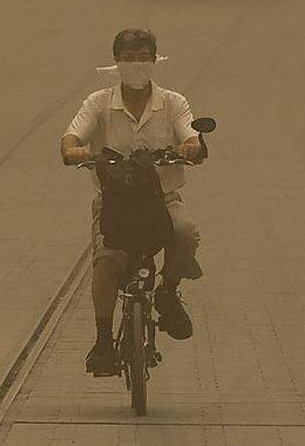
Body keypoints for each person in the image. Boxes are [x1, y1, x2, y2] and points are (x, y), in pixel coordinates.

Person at [61, 28, 205, 376]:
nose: (137, 65)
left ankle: (168, 293)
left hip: (162, 199)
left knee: (184, 234)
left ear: (155, 61)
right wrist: (73, 148)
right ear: (116, 62)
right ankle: (102, 340)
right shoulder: (98, 102)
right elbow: (73, 133)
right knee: (107, 262)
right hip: (116, 203)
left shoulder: (173, 102)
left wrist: (191, 146)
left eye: (143, 57)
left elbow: (191, 135)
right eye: (129, 58)